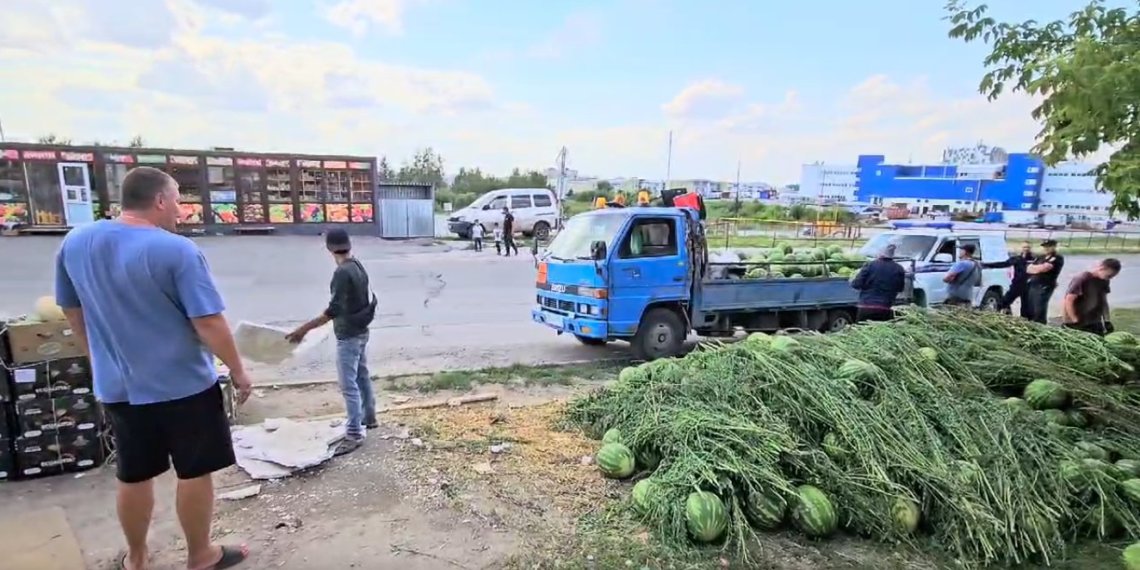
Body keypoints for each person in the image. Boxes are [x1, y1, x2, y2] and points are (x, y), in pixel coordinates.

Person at [53, 166, 251, 570]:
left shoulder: (76, 242)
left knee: (134, 472)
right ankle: (201, 555)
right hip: (183, 385)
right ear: (160, 201)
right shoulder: (176, 250)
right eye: (178, 199)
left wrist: (96, 357)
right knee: (195, 471)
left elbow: (71, 309)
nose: (180, 210)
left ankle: (137, 558)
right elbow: (208, 322)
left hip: (119, 387)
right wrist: (239, 370)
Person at [287, 230, 378, 455]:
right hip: (361, 330)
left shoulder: (342, 273)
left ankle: (355, 433)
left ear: (329, 249)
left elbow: (333, 310)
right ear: (348, 244)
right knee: (361, 376)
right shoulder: (357, 265)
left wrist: (303, 330)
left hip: (348, 335)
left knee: (349, 385)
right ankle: (369, 417)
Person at [1061, 258, 1121, 336]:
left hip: (1093, 319)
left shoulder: (1105, 280)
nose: (1111, 278)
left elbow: (1103, 301)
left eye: (1112, 276)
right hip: (1077, 319)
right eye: (1109, 275)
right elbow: (1069, 300)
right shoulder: (1082, 278)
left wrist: (1107, 320)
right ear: (1101, 268)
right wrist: (1074, 320)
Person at [850, 244, 907, 321]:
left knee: (862, 330)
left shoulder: (870, 265)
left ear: (880, 254)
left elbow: (856, 284)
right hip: (885, 308)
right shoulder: (899, 269)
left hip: (866, 306)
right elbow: (900, 288)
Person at [984, 241, 1034, 317]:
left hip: (1029, 285)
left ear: (1030, 248)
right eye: (1024, 247)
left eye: (1028, 247)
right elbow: (1003, 264)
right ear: (1021, 248)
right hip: (1017, 284)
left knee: (1026, 307)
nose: (1026, 249)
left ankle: (1025, 321)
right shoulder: (1016, 259)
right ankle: (1002, 315)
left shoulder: (1034, 260)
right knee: (1004, 301)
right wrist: (987, 265)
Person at [1025, 239, 1065, 323]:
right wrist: (1037, 268)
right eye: (1045, 247)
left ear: (1054, 247)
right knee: (1030, 307)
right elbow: (1028, 268)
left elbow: (1045, 268)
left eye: (1049, 246)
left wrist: (1036, 268)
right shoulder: (1041, 257)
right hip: (1033, 285)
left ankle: (1040, 325)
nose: (1046, 248)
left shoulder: (1057, 258)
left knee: (1039, 309)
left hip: (1044, 286)